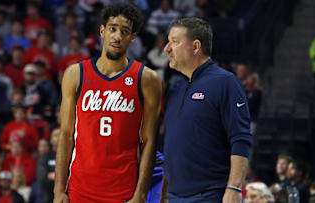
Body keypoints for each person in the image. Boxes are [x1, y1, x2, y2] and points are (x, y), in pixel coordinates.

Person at [53, 3, 162, 203]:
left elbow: (149, 141)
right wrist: (59, 190)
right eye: (112, 29)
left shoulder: (147, 79)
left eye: (125, 31)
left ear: (133, 37)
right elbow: (66, 134)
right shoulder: (75, 74)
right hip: (80, 188)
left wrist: (141, 193)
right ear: (102, 31)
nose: (117, 36)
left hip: (123, 190)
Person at [161, 17, 252, 203]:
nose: (166, 48)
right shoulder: (176, 89)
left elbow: (240, 138)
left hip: (210, 194)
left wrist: (234, 187)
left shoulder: (225, 82)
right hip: (175, 196)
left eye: (175, 42)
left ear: (195, 47)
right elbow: (172, 145)